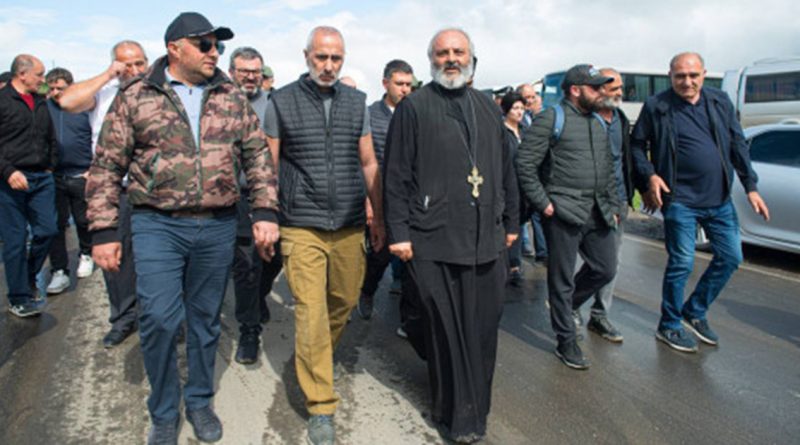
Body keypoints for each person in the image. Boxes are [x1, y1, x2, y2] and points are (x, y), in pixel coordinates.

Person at [85, 12, 279, 444]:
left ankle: (199, 400)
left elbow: (257, 156)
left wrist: (265, 210)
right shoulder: (138, 95)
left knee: (205, 320)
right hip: (157, 224)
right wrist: (103, 232)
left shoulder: (230, 95)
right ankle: (164, 410)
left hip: (217, 225)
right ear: (175, 48)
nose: (214, 53)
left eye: (217, 46)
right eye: (204, 45)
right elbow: (107, 165)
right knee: (158, 318)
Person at [383, 28, 519, 443]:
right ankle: (455, 418)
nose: (451, 59)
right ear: (432, 60)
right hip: (433, 239)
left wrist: (512, 222)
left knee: (482, 330)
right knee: (445, 330)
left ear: (471, 58)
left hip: (486, 239)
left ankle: (476, 411)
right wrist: (399, 233)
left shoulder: (488, 108)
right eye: (442, 53)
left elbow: (506, 170)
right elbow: (396, 176)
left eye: (459, 51)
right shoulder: (414, 108)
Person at [264, 26, 384, 445]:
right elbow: (268, 164)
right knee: (311, 311)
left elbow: (368, 163)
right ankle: (320, 404)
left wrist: (379, 216)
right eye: (322, 57)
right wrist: (267, 215)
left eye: (336, 58)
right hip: (300, 222)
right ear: (307, 56)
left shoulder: (356, 102)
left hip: (349, 222)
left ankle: (315, 354)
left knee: (344, 300)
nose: (329, 66)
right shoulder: (282, 101)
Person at [631, 52, 769, 352]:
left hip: (719, 199)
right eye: (680, 76)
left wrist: (751, 187)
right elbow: (637, 146)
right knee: (682, 262)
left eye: (693, 75)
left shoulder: (719, 102)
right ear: (670, 76)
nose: (687, 82)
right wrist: (650, 176)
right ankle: (669, 325)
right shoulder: (657, 106)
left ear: (704, 75)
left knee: (731, 257)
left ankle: (694, 311)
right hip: (680, 200)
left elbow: (737, 144)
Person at [516, 64, 620, 370]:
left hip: (597, 211)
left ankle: (567, 305)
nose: (601, 92)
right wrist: (543, 203)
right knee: (561, 279)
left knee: (605, 268)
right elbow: (524, 164)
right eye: (595, 88)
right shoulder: (552, 118)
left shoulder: (598, 122)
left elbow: (607, 168)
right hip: (562, 212)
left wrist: (613, 205)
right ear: (575, 90)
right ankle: (566, 340)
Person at [58, 40, 149, 348]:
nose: (134, 70)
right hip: (115, 191)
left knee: (157, 260)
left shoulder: (158, 92)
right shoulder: (104, 93)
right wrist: (109, 75)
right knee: (116, 261)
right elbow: (67, 101)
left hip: (151, 192)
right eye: (127, 64)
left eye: (139, 63)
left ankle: (161, 319)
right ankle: (123, 318)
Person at [227, 46, 283, 365]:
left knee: (277, 256)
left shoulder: (274, 104)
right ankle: (249, 331)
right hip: (235, 198)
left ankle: (259, 295)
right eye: (244, 71)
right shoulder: (219, 103)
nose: (250, 77)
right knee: (246, 264)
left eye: (255, 71)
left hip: (271, 195)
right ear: (231, 72)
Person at [571, 68, 633, 343]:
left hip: (618, 199)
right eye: (612, 88)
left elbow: (625, 158)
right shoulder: (582, 118)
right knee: (587, 262)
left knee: (610, 263)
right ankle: (569, 306)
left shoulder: (620, 119)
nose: (618, 93)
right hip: (585, 202)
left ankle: (599, 314)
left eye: (620, 88)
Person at [0, 54, 58, 318]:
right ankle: (19, 297)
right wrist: (8, 171)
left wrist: (50, 165)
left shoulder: (41, 102)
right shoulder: (3, 101)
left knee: (47, 230)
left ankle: (27, 275)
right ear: (22, 74)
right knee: (15, 240)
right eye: (39, 74)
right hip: (9, 180)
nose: (43, 80)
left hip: (41, 178)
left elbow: (50, 136)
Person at [357, 59, 414, 320]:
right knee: (379, 254)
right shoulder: (370, 115)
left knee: (413, 257)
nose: (405, 89)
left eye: (408, 85)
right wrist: (369, 200)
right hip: (380, 195)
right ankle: (367, 291)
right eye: (399, 84)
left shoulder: (415, 112)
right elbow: (363, 161)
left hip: (411, 197)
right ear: (385, 83)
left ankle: (409, 315)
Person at [43, 68, 95, 295]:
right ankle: (59, 270)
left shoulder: (84, 107)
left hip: (81, 174)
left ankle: (86, 254)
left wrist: (93, 169)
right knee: (55, 225)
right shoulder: (45, 109)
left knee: (83, 220)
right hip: (54, 176)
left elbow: (98, 137)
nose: (56, 92)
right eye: (52, 88)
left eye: (60, 88)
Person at [516, 82, 547, 262]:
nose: (530, 100)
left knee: (535, 212)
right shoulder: (517, 118)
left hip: (536, 173)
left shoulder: (538, 117)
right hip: (521, 173)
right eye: (526, 97)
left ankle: (541, 251)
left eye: (532, 96)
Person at [500, 91, 527, 287]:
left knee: (519, 224)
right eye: (515, 108)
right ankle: (511, 264)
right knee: (510, 224)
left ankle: (514, 263)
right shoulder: (501, 132)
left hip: (524, 186)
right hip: (507, 185)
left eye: (522, 108)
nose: (519, 112)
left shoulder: (525, 131)